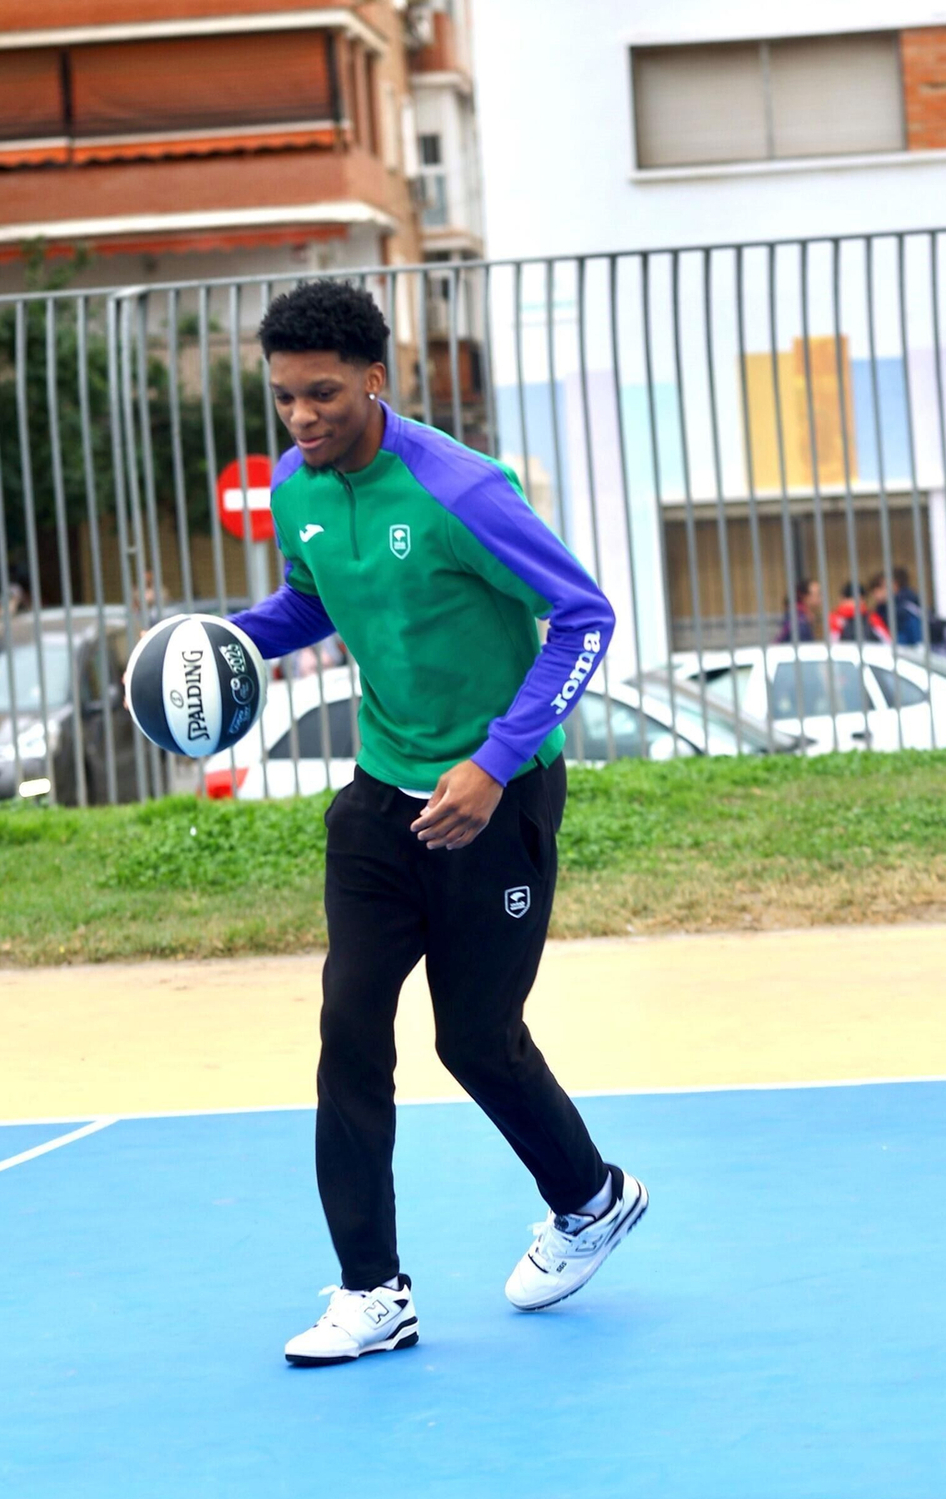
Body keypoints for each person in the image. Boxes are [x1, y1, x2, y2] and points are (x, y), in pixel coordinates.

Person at [229, 280, 645, 1369]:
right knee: (348, 1030)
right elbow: (313, 598)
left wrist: (495, 761)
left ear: (375, 376)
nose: (302, 417)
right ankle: (372, 1290)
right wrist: (221, 643)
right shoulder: (296, 485)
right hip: (379, 796)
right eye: (283, 397)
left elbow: (583, 617)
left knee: (473, 1038)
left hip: (494, 800)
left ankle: (590, 1196)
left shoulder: (465, 489)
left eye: (322, 393)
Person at [778, 577, 820, 644]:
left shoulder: (802, 616)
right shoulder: (799, 619)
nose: (820, 597)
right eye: (817, 594)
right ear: (804, 596)